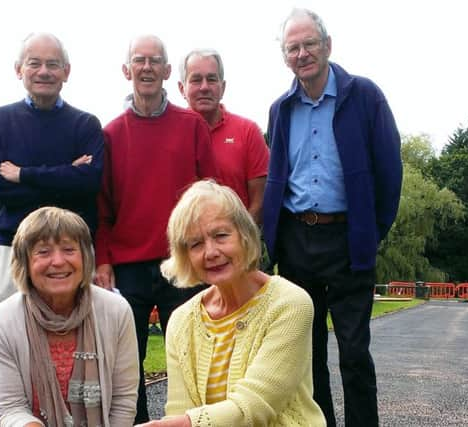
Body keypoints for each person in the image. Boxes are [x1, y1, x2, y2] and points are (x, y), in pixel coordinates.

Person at [263, 8, 403, 427]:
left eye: (309, 44)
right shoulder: (280, 108)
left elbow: (389, 171)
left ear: (327, 45)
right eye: (293, 48)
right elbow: (277, 174)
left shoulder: (365, 96)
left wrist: (370, 231)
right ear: (285, 55)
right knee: (307, 354)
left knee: (354, 351)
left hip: (348, 238)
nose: (302, 53)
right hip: (295, 239)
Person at [93, 35, 218, 423]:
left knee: (190, 362)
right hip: (127, 268)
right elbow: (102, 206)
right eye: (138, 60)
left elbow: (209, 198)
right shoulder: (110, 134)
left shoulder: (191, 126)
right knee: (126, 365)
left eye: (155, 61)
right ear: (126, 70)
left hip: (181, 265)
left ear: (167, 71)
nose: (146, 67)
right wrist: (102, 260)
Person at [135, 180, 325, 427]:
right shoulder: (182, 321)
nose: (210, 252)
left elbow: (255, 405)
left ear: (245, 235)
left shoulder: (289, 303)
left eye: (221, 235)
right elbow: (179, 409)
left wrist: (187, 424)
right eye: (196, 244)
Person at [0, 32, 104, 305]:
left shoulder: (86, 125)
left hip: (71, 252)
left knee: (72, 339)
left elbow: (88, 184)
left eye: (53, 64)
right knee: (11, 337)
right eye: (34, 63)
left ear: (66, 72)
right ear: (19, 69)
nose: (43, 72)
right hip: (13, 249)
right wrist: (65, 174)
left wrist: (23, 174)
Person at [0, 206, 139, 427]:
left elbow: (123, 401)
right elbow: (9, 407)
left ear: (85, 257)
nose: (57, 261)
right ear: (24, 262)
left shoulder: (116, 311)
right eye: (43, 252)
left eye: (68, 249)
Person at [178, 49, 269, 224]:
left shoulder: (248, 131)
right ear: (182, 88)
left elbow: (260, 201)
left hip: (237, 245)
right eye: (196, 80)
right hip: (185, 246)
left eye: (211, 79)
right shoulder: (171, 134)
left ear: (223, 87)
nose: (204, 87)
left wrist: (237, 239)